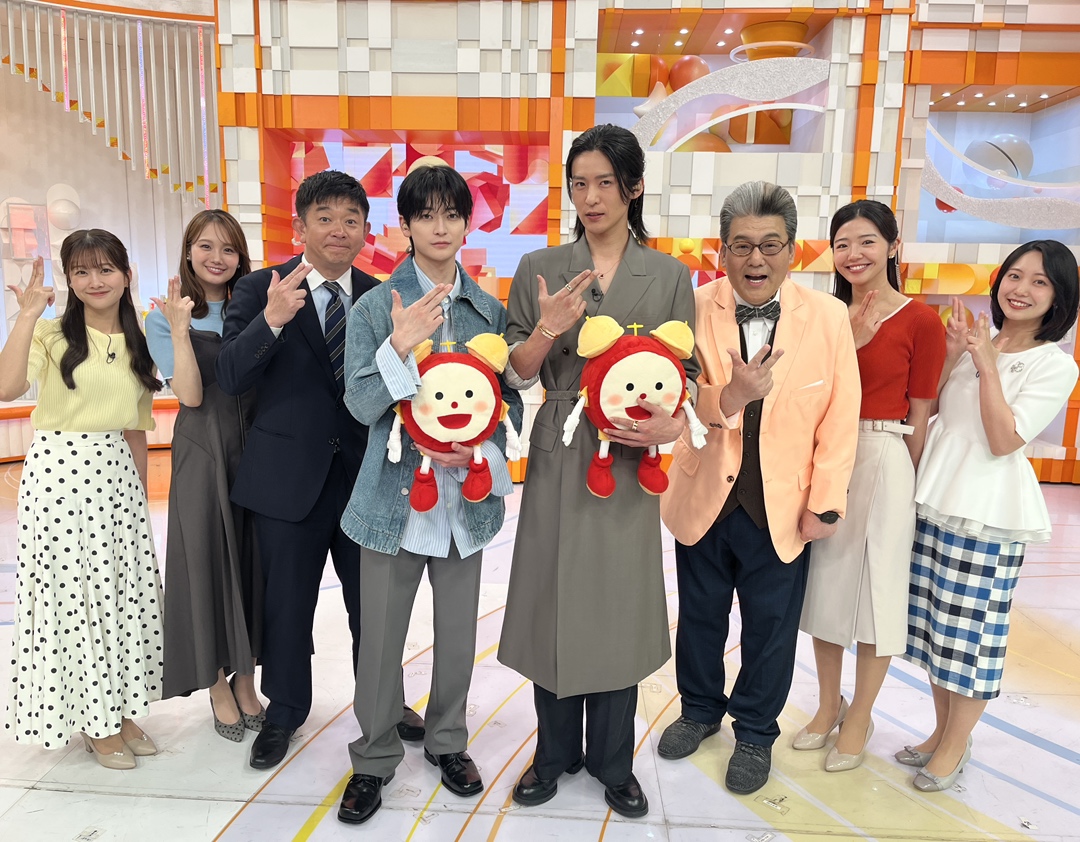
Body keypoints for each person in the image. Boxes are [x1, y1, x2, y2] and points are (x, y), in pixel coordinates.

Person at [497, 124, 698, 819]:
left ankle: (614, 761)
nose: (591, 197)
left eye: (605, 183)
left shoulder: (669, 276)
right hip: (561, 446)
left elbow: (687, 372)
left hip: (632, 454)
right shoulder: (540, 266)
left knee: (618, 601)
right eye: (579, 183)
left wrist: (675, 422)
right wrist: (548, 327)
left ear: (633, 187)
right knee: (554, 595)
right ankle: (553, 754)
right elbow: (517, 372)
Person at [335, 161, 523, 825]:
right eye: (425, 215)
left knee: (457, 636)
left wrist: (480, 453)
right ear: (406, 226)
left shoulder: (489, 311)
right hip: (390, 502)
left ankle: (447, 741)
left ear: (468, 224)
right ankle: (374, 757)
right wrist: (398, 344)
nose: (439, 227)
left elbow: (508, 406)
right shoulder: (374, 308)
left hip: (463, 503)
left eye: (451, 214)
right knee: (381, 640)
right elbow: (360, 405)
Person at [216, 170, 424, 770]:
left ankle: (384, 703)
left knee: (374, 606)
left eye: (351, 219)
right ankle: (284, 712)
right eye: (325, 218)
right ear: (300, 226)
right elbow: (230, 375)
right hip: (286, 479)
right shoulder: (260, 288)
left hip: (366, 478)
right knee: (287, 604)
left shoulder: (384, 297)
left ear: (366, 230)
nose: (339, 230)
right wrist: (272, 320)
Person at [658, 181, 860, 795]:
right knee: (699, 616)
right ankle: (698, 710)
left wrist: (826, 503)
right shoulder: (693, 306)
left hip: (785, 504)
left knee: (771, 627)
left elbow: (841, 414)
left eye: (770, 244)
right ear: (722, 251)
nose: (756, 259)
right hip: (704, 492)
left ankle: (754, 731)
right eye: (742, 245)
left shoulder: (827, 316)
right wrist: (729, 396)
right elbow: (677, 396)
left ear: (792, 251)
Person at [901, 240, 1079, 792]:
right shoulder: (983, 340)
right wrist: (955, 353)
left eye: (1040, 281)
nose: (1021, 289)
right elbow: (932, 407)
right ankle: (941, 733)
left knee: (971, 638)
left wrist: (984, 363)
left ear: (1059, 297)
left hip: (987, 513)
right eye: (1015, 275)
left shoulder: (1054, 364)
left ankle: (956, 745)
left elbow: (1004, 439)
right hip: (935, 496)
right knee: (935, 629)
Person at [1, 231, 164, 768]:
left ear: (125, 274)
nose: (95, 281)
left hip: (117, 477)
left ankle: (121, 707)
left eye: (105, 269)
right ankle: (95, 721)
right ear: (69, 280)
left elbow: (136, 427)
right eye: (82, 271)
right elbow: (5, 387)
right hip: (59, 476)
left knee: (119, 595)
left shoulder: (139, 339)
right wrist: (27, 315)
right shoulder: (51, 334)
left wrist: (141, 502)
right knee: (76, 600)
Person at [795, 200, 945, 771]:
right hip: (826, 456)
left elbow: (921, 413)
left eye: (866, 242)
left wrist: (905, 483)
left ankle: (860, 715)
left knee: (878, 594)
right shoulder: (825, 314)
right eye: (842, 244)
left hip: (884, 451)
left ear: (892, 246)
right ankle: (828, 705)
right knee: (826, 586)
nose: (853, 255)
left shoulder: (920, 320)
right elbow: (805, 394)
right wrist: (850, 341)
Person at [145, 209, 265, 742]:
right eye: (206, 246)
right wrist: (178, 329)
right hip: (203, 450)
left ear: (241, 257)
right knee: (206, 562)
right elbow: (191, 395)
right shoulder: (164, 317)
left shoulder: (255, 307)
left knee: (254, 563)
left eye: (228, 248)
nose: (217, 258)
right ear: (188, 252)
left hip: (257, 449)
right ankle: (217, 683)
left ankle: (247, 677)